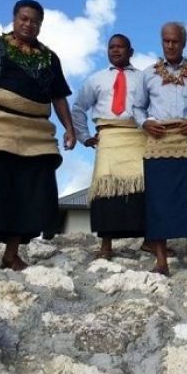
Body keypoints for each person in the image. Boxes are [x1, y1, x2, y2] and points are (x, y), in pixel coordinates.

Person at [0, 0, 76, 272]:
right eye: (23, 19)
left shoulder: (49, 58)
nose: (28, 24)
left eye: (34, 21)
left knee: (32, 192)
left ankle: (12, 253)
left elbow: (59, 96)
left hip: (36, 131)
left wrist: (69, 128)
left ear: (40, 25)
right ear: (14, 19)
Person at [134, 22, 187, 277]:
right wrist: (145, 123)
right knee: (157, 202)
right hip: (158, 143)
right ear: (162, 42)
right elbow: (137, 107)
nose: (170, 45)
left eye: (175, 41)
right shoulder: (148, 74)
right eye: (166, 41)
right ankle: (161, 261)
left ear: (184, 44)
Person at [72, 34, 150, 259]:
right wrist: (84, 136)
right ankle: (106, 245)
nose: (115, 51)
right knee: (106, 190)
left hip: (138, 137)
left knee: (144, 191)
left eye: (121, 47)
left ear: (131, 51)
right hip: (109, 137)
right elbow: (78, 108)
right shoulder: (95, 79)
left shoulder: (145, 78)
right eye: (111, 47)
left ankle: (150, 241)